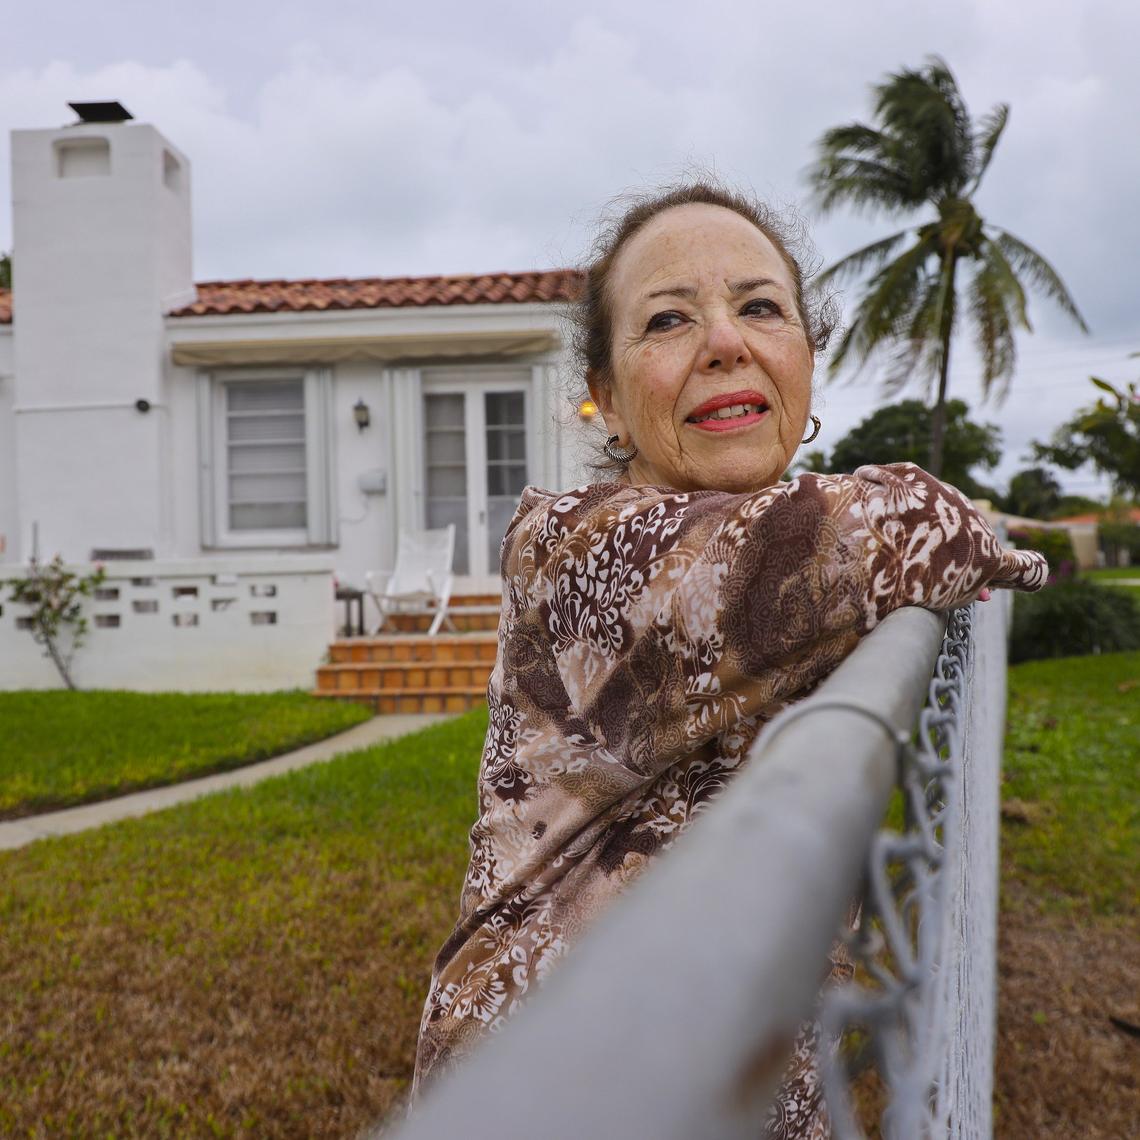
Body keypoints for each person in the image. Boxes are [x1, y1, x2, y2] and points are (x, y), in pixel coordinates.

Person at [411, 182, 1046, 1136]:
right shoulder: (577, 550)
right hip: (560, 1083)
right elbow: (915, 526)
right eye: (668, 319)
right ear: (609, 401)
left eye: (759, 307)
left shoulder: (763, 542)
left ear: (805, 358)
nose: (724, 341)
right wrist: (1004, 551)